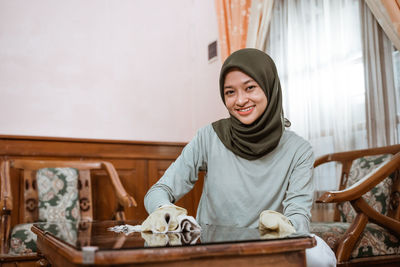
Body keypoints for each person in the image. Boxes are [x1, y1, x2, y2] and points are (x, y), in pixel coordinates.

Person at [143, 48, 336, 267]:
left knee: (319, 255)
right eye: (230, 92)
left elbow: (298, 218)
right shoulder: (209, 137)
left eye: (250, 88)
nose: (240, 100)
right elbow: (159, 191)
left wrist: (285, 225)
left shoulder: (299, 150)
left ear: (269, 87)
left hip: (267, 252)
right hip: (211, 251)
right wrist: (164, 211)